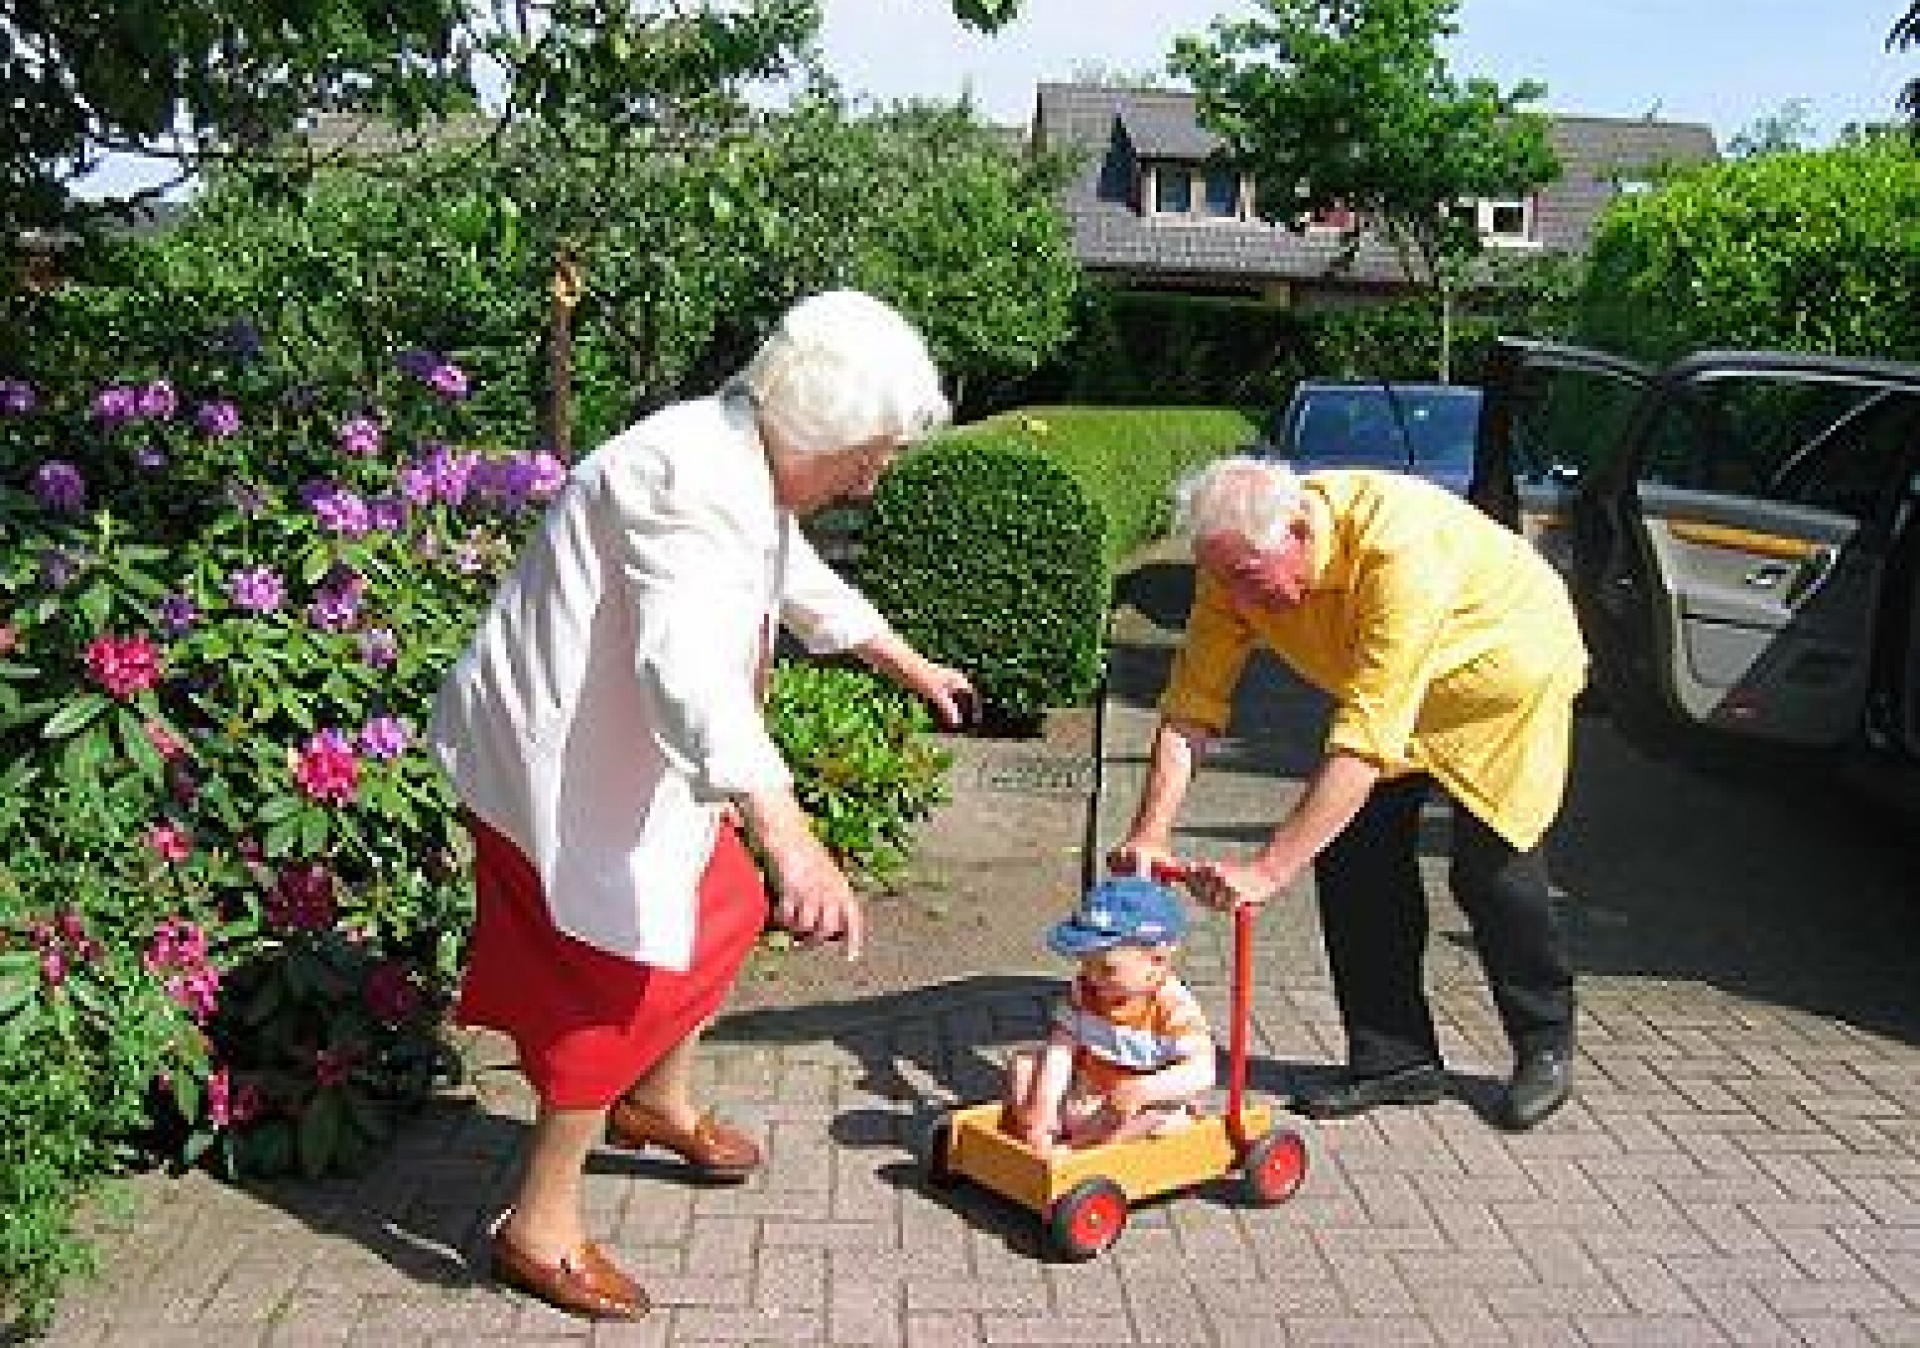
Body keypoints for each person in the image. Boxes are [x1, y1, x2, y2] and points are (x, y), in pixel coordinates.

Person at [429, 290, 976, 1321]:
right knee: (621, 975)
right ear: (825, 430)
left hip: (626, 761)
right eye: (878, 447)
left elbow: (786, 569)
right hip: (551, 768)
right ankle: (537, 1227)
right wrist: (792, 838)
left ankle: (655, 1101)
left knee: (715, 913)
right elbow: (689, 676)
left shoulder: (746, 453)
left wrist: (899, 656)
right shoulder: (685, 475)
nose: (882, 469)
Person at [1110, 455, 1586, 1134]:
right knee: (1353, 853)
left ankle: (1544, 1043)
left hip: (1502, 680)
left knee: (1493, 872)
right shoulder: (1231, 563)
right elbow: (1192, 704)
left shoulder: (1400, 550)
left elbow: (1364, 737)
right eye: (1224, 580)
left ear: (1299, 531)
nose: (1239, 602)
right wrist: (1150, 829)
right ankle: (1395, 1061)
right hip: (1394, 695)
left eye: (1250, 580)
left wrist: (1269, 868)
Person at [1004, 875, 1216, 1157]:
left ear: (1157, 960)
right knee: (1025, 1065)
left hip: (1138, 1108)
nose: (1093, 976)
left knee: (1159, 1119)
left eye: (1106, 969)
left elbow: (1202, 1072)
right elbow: (1061, 1049)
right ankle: (1040, 1135)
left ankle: (1073, 1153)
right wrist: (1044, 1104)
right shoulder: (1086, 989)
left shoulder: (1173, 1007)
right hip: (1088, 1094)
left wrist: (1142, 1089)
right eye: (1086, 963)